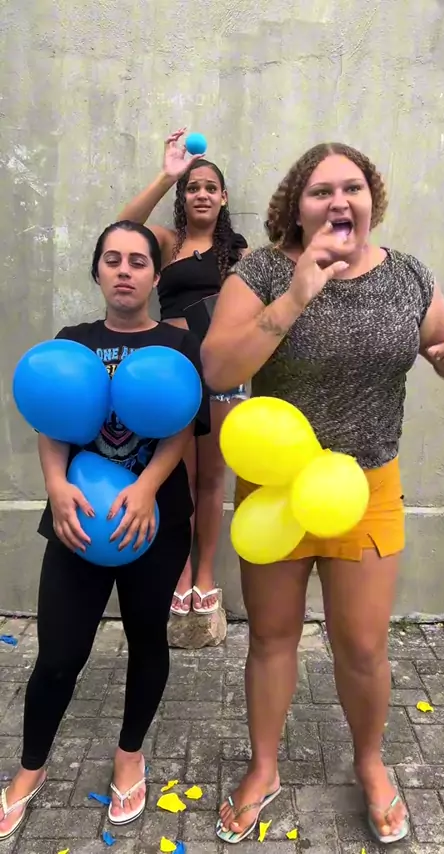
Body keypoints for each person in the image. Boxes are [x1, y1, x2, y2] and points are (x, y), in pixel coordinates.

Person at [201, 142, 444, 845]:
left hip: (368, 486)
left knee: (362, 645)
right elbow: (219, 368)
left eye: (351, 187)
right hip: (275, 489)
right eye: (320, 191)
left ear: (370, 199)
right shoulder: (262, 271)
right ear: (297, 206)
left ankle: (371, 764)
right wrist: (297, 295)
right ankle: (264, 768)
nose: (338, 201)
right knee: (272, 637)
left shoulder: (408, 275)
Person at [0, 221, 210, 841]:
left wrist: (145, 489)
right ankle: (30, 768)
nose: (124, 270)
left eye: (138, 261)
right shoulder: (73, 341)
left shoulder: (177, 343)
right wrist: (54, 486)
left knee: (147, 643)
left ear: (155, 275)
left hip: (154, 523)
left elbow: (180, 425)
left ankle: (129, 757)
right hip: (77, 521)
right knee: (58, 657)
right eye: (112, 259)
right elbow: (52, 419)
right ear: (97, 271)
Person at [118, 128, 249, 618]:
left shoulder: (237, 252)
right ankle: (180, 572)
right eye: (192, 188)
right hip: (172, 373)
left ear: (223, 197)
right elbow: (122, 229)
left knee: (211, 479)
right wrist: (166, 175)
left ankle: (206, 572)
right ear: (183, 196)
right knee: (178, 476)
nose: (201, 194)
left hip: (219, 373)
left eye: (210, 188)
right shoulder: (167, 243)